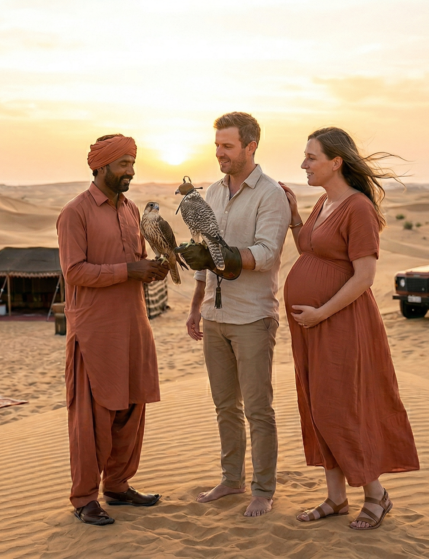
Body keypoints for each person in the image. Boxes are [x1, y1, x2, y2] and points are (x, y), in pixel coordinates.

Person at [279, 127, 419, 530]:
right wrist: (294, 221)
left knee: (341, 406)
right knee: (317, 405)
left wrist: (321, 313)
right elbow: (312, 251)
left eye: (311, 157)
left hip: (341, 324)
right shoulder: (325, 202)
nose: (304, 164)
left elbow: (364, 277)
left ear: (335, 162)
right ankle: (336, 498)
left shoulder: (357, 208)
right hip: (311, 325)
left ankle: (376, 495)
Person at [176, 112, 291, 517]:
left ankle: (263, 488)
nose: (219, 153)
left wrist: (225, 256)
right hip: (214, 317)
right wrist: (195, 308)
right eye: (217, 146)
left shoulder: (270, 194)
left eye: (227, 146)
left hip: (253, 318)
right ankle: (231, 479)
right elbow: (206, 256)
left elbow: (266, 253)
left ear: (250, 146)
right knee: (224, 405)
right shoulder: (211, 194)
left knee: (258, 408)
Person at [56, 134, 169, 526]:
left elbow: (133, 264)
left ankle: (117, 485)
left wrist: (151, 270)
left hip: (133, 325)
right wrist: (129, 271)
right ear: (100, 167)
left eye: (133, 163)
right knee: (93, 417)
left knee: (131, 408)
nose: (131, 172)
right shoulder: (76, 212)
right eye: (123, 164)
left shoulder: (131, 209)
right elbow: (74, 271)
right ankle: (85, 497)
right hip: (95, 331)